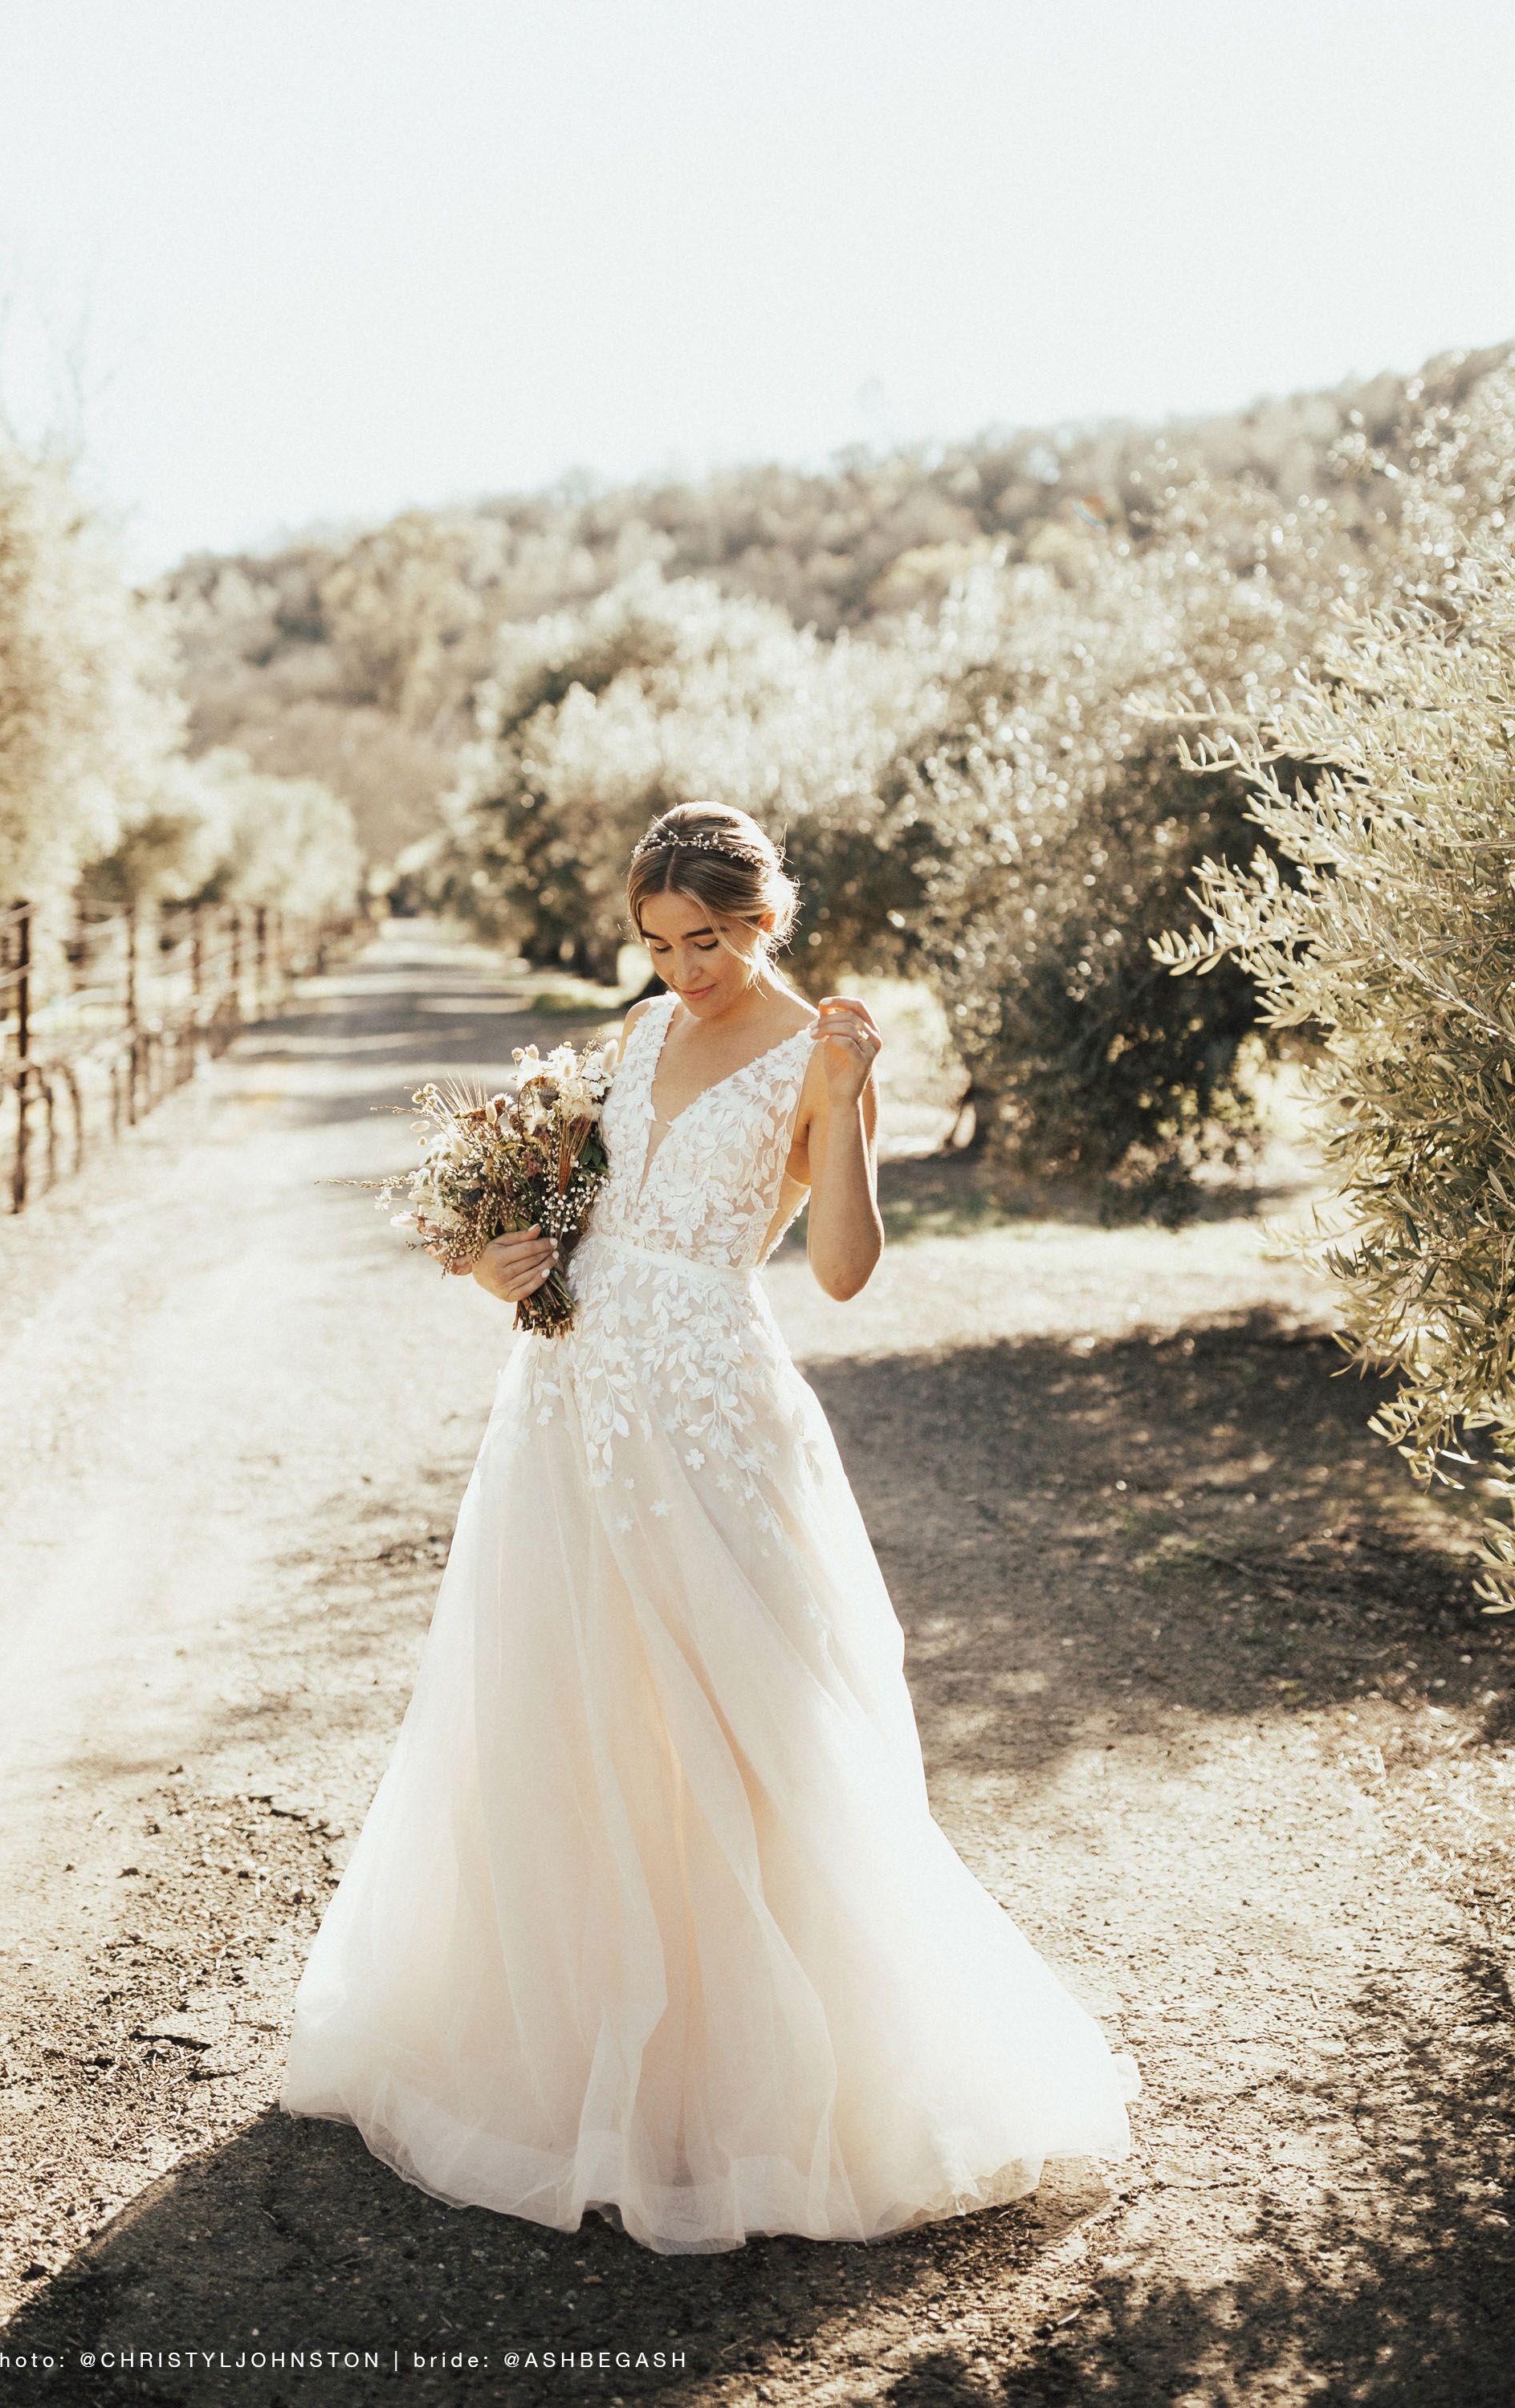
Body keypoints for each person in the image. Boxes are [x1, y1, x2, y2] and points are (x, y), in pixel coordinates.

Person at [278, 800, 1139, 2255]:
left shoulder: (820, 1052)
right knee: (568, 1702)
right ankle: (571, 2052)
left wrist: (856, 1098)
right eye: (663, 944)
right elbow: (570, 1220)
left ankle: (759, 2081)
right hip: (562, 1403)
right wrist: (506, 1269)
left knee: (756, 1719)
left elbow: (850, 1272)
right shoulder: (626, 1034)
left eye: (714, 940)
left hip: (712, 1411)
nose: (687, 968)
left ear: (769, 919)